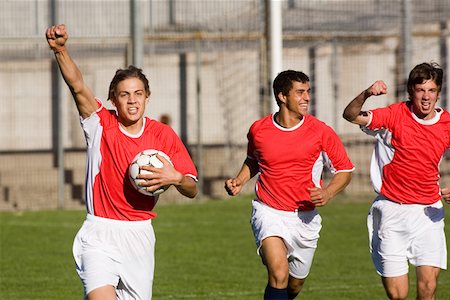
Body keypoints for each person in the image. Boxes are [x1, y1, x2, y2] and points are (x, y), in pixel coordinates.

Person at [46, 24, 198, 300]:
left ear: (147, 97)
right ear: (113, 99)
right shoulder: (100, 124)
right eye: (124, 94)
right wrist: (61, 50)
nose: (132, 100)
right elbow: (77, 86)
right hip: (99, 233)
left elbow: (192, 187)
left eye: (138, 93)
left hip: (139, 236)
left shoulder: (163, 135)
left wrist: (175, 178)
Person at [225, 70, 354, 299]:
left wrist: (328, 193)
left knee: (293, 286)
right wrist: (240, 180)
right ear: (282, 96)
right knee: (278, 274)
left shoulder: (321, 131)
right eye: (300, 92)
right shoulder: (259, 129)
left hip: (305, 218)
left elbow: (345, 170)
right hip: (269, 211)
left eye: (308, 92)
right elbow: (254, 159)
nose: (306, 98)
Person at [342, 62, 450, 300]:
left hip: (428, 213)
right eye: (420, 90)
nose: (426, 97)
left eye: (431, 90)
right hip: (392, 211)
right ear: (411, 91)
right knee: (397, 295)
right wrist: (367, 93)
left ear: (438, 93)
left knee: (428, 288)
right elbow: (350, 115)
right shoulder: (393, 115)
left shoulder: (446, 124)